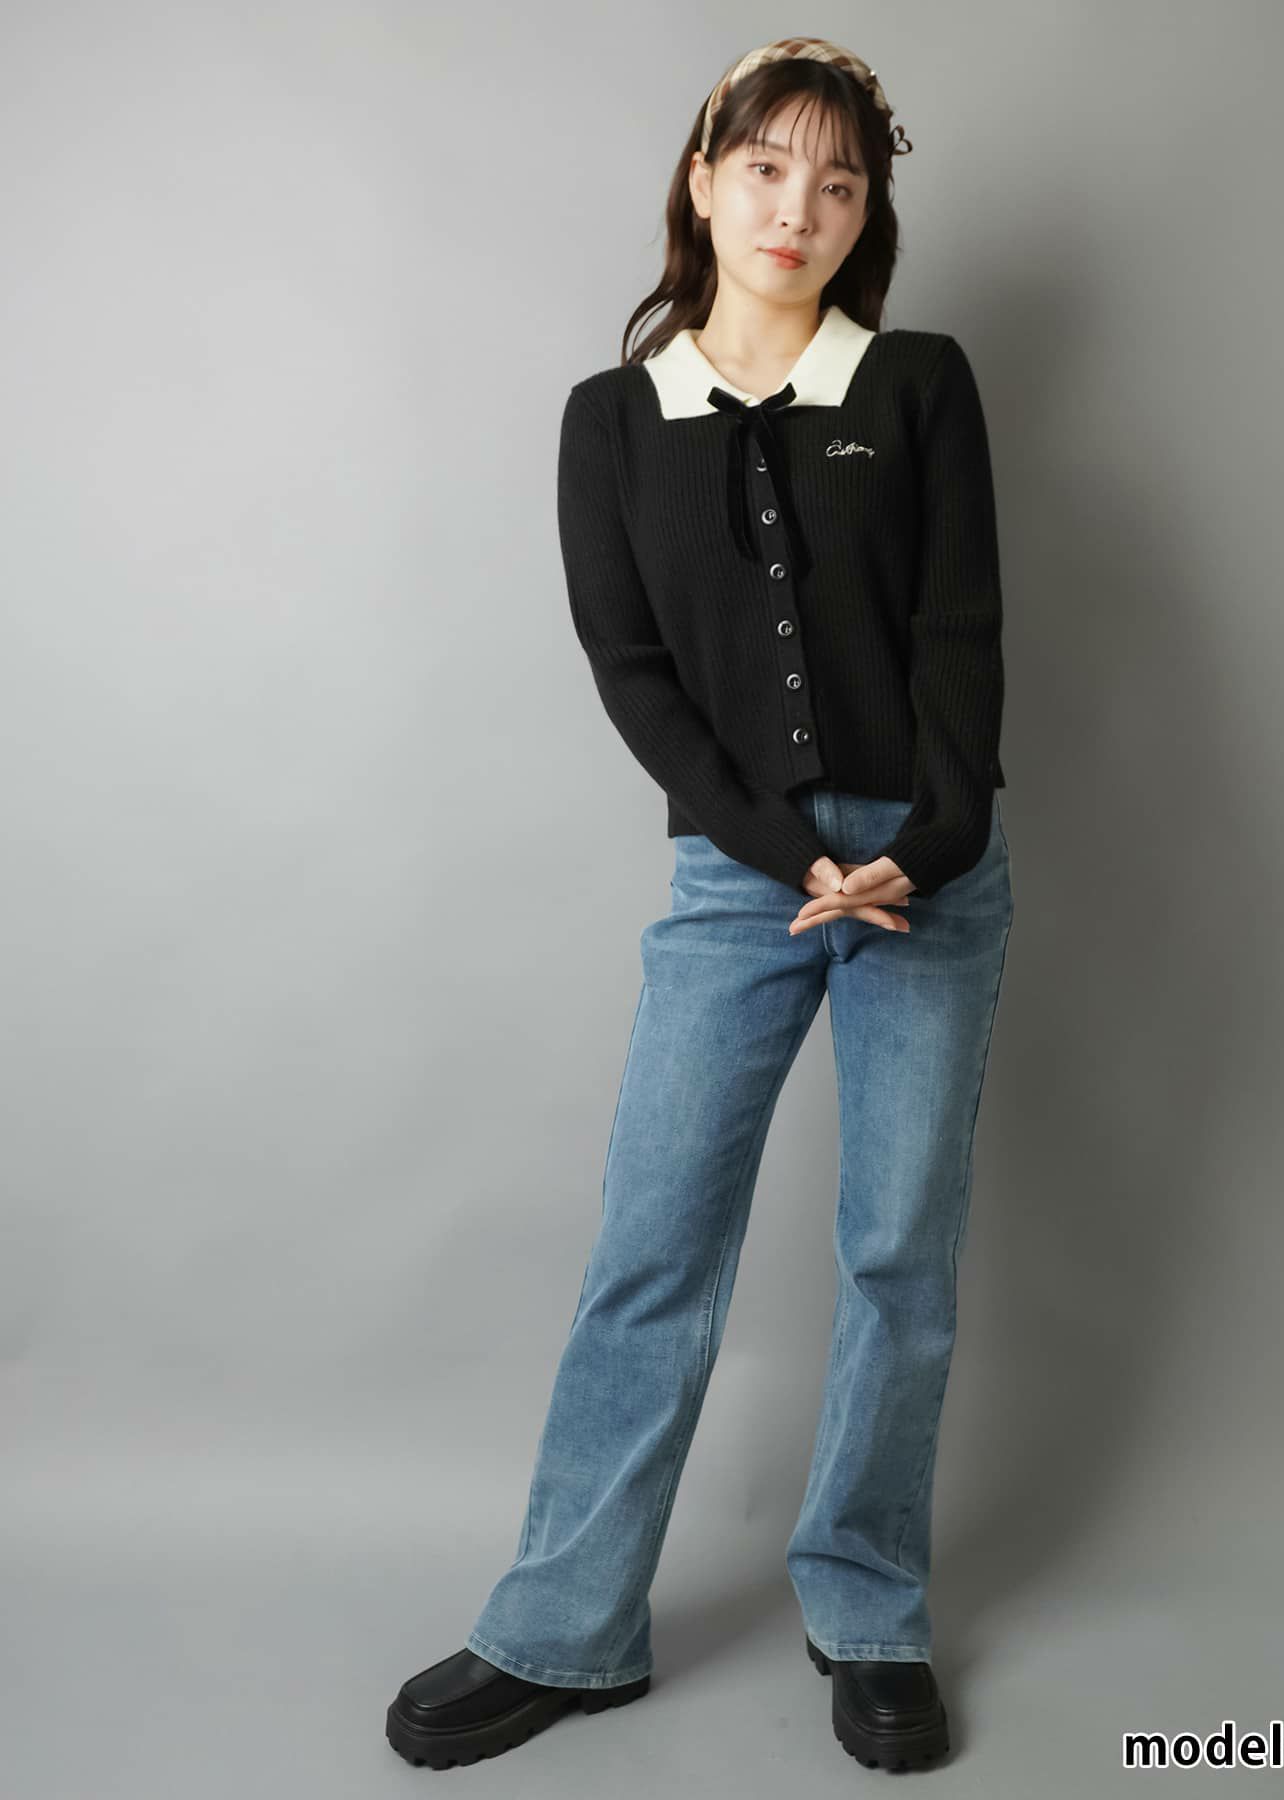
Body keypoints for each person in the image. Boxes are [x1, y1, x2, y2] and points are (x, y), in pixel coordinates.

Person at [386, 36, 1013, 1775]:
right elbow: (634, 672)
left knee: (898, 1252)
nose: (797, 207)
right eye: (765, 168)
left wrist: (935, 839)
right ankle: (566, 1628)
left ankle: (868, 1607)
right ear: (703, 177)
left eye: (838, 181)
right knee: (655, 1243)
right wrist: (774, 849)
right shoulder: (612, 419)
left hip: (930, 872)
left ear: (869, 211)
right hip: (737, 881)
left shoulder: (918, 383)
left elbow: (963, 630)